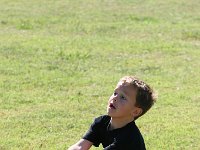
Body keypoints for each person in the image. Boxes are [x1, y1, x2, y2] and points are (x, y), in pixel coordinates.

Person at [68, 76, 156, 150]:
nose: (115, 98)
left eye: (123, 97)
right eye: (115, 93)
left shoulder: (129, 138)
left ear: (135, 111)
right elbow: (80, 146)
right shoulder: (101, 122)